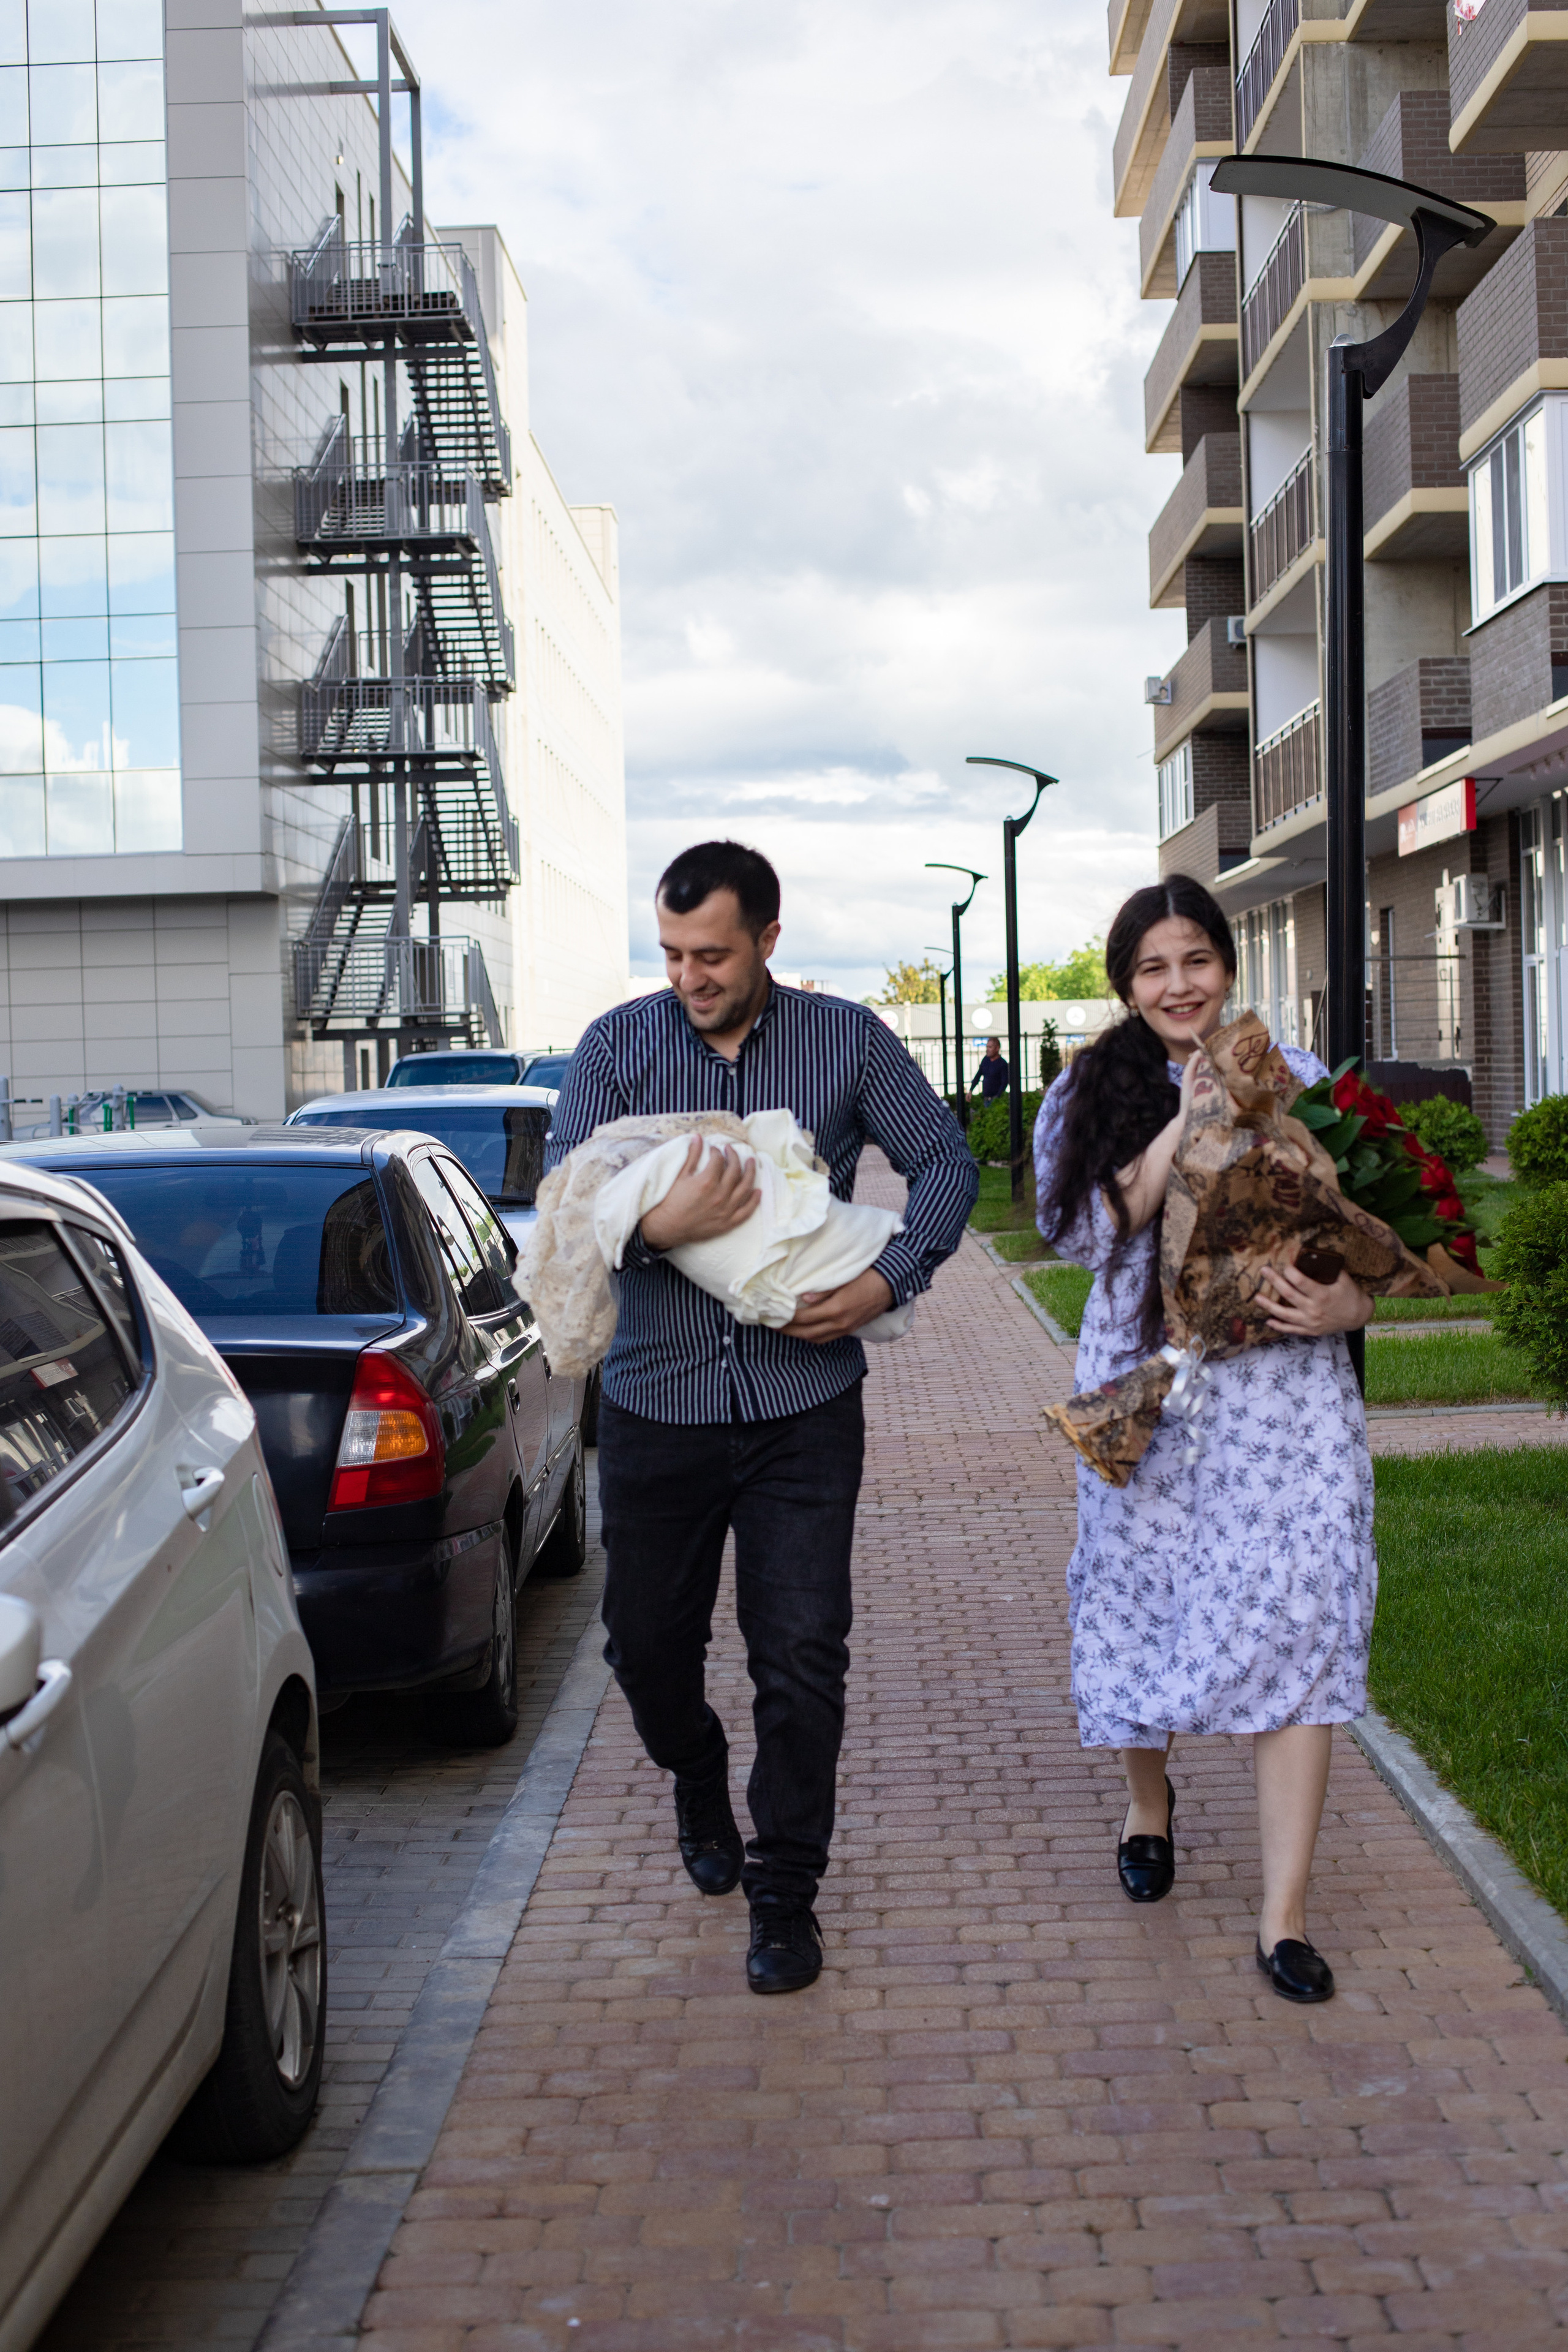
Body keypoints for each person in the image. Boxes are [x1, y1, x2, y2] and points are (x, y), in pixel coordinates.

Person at [545, 841, 977, 1994]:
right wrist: (654, 1222)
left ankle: (786, 1895)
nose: (690, 974)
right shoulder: (616, 1051)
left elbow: (944, 1159)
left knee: (801, 1655)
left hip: (804, 1410)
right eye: (674, 952)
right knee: (646, 1652)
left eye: (714, 953)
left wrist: (894, 1279)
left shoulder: (847, 1042)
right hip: (655, 1408)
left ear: (769, 941)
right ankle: (695, 1769)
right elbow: (562, 1204)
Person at [1033, 875, 1374, 2005]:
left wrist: (1348, 1309)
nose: (1179, 984)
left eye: (1197, 961)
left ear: (1228, 965)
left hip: (1286, 1405)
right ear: (1127, 986)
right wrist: (1192, 1107)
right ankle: (1149, 1802)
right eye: (1153, 968)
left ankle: (1284, 1920)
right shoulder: (1091, 1089)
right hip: (1156, 1399)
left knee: (1306, 1620)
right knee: (1145, 1605)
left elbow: (1360, 1240)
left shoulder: (1305, 1081)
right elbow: (1086, 1235)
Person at [971, 1036, 1009, 1101]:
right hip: (986, 1098)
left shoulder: (1002, 1063)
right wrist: (971, 1090)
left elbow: (1004, 1082)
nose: (987, 1049)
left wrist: (997, 1097)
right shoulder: (985, 1060)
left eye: (990, 1047)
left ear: (997, 1048)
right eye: (987, 1047)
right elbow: (978, 1075)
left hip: (996, 1099)